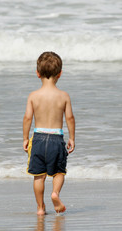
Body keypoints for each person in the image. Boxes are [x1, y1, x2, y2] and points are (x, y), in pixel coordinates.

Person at [23, 51, 75, 215]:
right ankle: (55, 193)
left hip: (38, 138)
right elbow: (70, 118)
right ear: (60, 73)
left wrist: (25, 138)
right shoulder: (63, 96)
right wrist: (72, 138)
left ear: (37, 73)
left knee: (39, 176)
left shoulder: (33, 96)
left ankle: (40, 208)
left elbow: (27, 118)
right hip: (56, 138)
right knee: (59, 172)